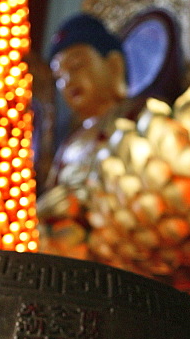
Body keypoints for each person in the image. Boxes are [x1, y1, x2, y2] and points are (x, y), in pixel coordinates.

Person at [37, 13, 137, 250]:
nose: (69, 81)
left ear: (114, 66)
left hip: (118, 236)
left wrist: (84, 200)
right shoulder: (70, 142)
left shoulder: (135, 115)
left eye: (77, 66)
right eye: (59, 77)